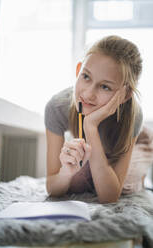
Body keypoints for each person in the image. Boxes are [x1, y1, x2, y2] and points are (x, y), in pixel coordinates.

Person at [44, 35, 143, 203]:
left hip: (132, 140)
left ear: (125, 95)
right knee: (77, 178)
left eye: (105, 87)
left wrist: (90, 126)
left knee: (131, 181)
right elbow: (53, 188)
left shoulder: (133, 115)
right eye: (86, 76)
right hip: (97, 144)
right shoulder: (57, 106)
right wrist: (66, 173)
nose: (88, 94)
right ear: (78, 71)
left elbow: (109, 197)